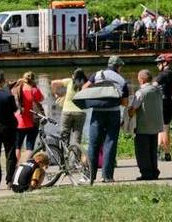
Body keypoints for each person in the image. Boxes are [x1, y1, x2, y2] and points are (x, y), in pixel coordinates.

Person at [84, 56, 129, 184]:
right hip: (113, 114)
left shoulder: (97, 75)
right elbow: (125, 103)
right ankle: (107, 176)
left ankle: (90, 175)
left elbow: (84, 89)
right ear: (118, 67)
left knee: (93, 144)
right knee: (110, 143)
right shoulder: (121, 80)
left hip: (97, 113)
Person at [129, 70, 162, 180]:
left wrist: (128, 113)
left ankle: (146, 173)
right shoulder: (157, 91)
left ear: (141, 79)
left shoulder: (141, 92)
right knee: (152, 150)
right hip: (156, 125)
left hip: (143, 125)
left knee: (142, 151)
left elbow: (133, 108)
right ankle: (154, 171)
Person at [12, 71, 45, 163]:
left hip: (19, 121)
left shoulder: (17, 89)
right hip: (32, 121)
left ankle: (14, 166)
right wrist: (35, 86)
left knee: (17, 146)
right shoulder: (34, 90)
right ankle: (26, 165)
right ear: (33, 80)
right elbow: (41, 99)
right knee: (30, 146)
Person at [51, 68, 87, 147]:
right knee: (77, 138)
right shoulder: (86, 84)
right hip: (80, 113)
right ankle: (75, 158)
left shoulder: (70, 81)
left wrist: (55, 95)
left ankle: (64, 157)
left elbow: (53, 83)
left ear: (74, 76)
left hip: (67, 112)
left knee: (64, 137)